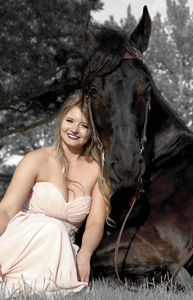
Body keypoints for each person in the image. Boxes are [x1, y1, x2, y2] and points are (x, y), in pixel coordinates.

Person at [0, 90, 112, 296]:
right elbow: (6, 210)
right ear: (61, 120)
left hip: (61, 250)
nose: (74, 129)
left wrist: (85, 254)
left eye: (84, 125)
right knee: (52, 228)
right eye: (70, 120)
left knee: (56, 233)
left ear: (93, 132)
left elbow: (96, 223)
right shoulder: (36, 159)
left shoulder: (98, 171)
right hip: (22, 241)